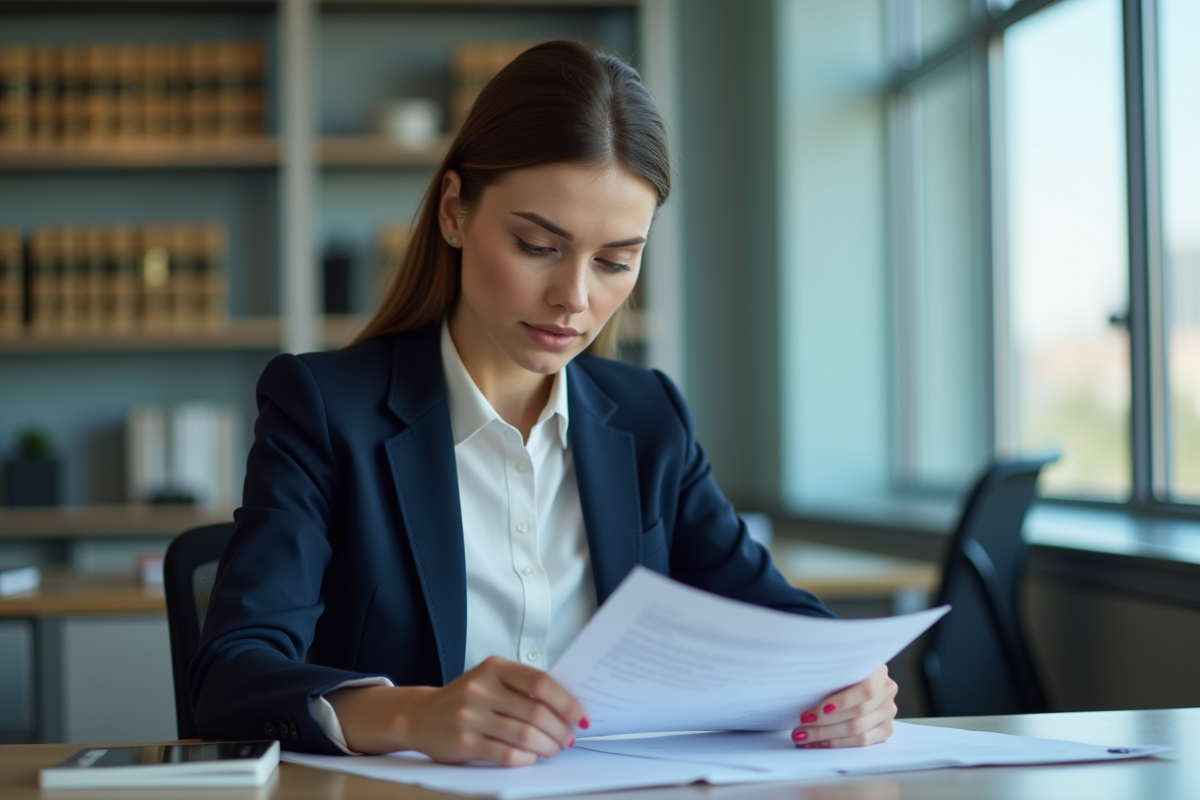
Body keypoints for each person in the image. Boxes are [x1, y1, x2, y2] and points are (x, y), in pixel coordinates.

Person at [190, 40, 898, 766]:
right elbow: (232, 677)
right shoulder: (324, 408)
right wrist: (414, 715)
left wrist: (849, 680)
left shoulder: (649, 416)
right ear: (455, 211)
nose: (576, 298)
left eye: (617, 261)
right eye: (537, 246)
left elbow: (774, 615)